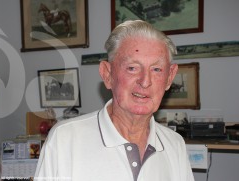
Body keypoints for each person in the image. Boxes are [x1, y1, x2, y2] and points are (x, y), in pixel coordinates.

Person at [34, 20, 194, 181]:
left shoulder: (175, 144)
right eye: (132, 68)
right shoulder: (65, 139)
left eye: (157, 69)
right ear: (107, 74)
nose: (145, 81)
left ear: (169, 78)